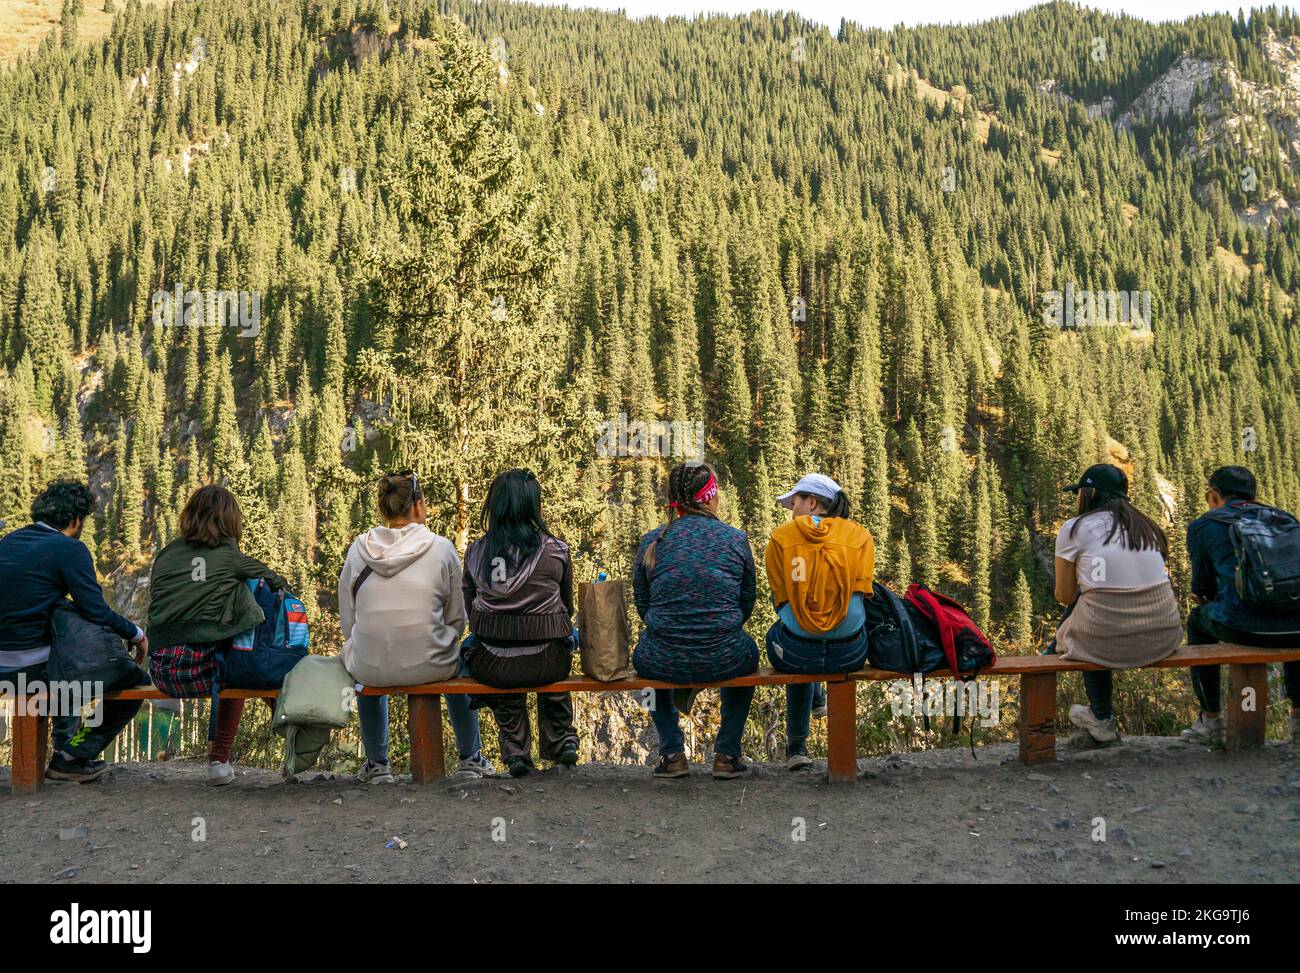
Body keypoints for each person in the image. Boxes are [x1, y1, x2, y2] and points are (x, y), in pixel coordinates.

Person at [339, 471, 495, 782]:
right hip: (432, 663)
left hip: (370, 667)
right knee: (460, 661)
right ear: (420, 505)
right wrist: (443, 640)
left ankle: (377, 765)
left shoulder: (359, 550)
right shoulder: (441, 548)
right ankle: (470, 758)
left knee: (365, 654)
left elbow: (349, 618)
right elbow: (457, 617)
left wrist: (363, 642)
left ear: (384, 509)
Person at [0, 480, 147, 782]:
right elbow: (95, 610)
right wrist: (136, 634)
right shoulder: (69, 549)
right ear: (77, 520)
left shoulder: (8, 542)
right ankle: (71, 756)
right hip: (33, 670)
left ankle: (65, 752)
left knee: (61, 649)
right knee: (136, 684)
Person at [147, 485, 288, 786]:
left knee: (231, 649)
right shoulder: (229, 556)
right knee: (239, 663)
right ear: (230, 520)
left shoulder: (166, 554)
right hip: (204, 672)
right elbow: (277, 582)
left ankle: (231, 756)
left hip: (161, 668)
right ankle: (220, 759)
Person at [632, 461, 759, 780]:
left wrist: (674, 628)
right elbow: (746, 603)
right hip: (724, 654)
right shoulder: (734, 539)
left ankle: (672, 753)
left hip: (663, 657)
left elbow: (643, 606)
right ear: (710, 496)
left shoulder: (652, 542)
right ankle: (727, 754)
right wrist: (715, 629)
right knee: (749, 655)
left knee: (646, 658)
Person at [1052, 464, 1182, 746]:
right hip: (1163, 637)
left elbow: (1063, 595)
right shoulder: (1148, 527)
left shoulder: (1073, 529)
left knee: (1085, 621)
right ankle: (1099, 716)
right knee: (1094, 611)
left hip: (1108, 640)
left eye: (1080, 492)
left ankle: (1101, 717)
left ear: (1091, 493)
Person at [461, 469, 579, 778]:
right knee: (556, 649)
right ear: (532, 506)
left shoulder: (475, 551)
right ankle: (562, 738)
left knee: (498, 660)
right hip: (547, 662)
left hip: (494, 664)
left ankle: (516, 750)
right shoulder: (556, 550)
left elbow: (470, 609)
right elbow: (567, 608)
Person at [1181, 466, 1300, 746]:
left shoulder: (1205, 525)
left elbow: (1202, 588)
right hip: (1296, 628)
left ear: (1214, 494)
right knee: (1293, 615)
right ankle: (1298, 719)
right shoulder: (1285, 519)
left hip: (1241, 624)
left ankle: (1210, 720)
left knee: (1197, 623)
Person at [764, 473, 873, 769]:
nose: (792, 510)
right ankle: (818, 700)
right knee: (811, 640)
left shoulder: (780, 538)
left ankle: (797, 748)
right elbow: (862, 592)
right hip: (850, 653)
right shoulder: (860, 536)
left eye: (795, 502)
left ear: (812, 503)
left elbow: (781, 600)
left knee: (785, 636)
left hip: (799, 655)